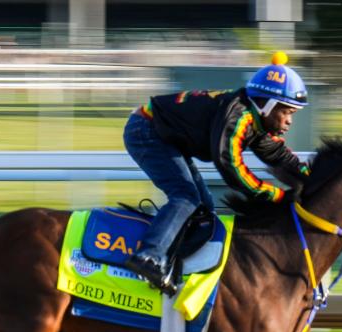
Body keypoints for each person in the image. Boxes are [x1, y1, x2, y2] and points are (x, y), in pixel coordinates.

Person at [123, 51, 312, 295]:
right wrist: (275, 195)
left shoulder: (256, 121)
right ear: (267, 104)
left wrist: (313, 177)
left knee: (204, 208)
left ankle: (174, 264)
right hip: (146, 130)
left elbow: (280, 157)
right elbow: (230, 167)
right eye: (286, 112)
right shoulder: (239, 115)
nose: (289, 121)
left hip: (167, 137)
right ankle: (149, 257)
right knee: (186, 197)